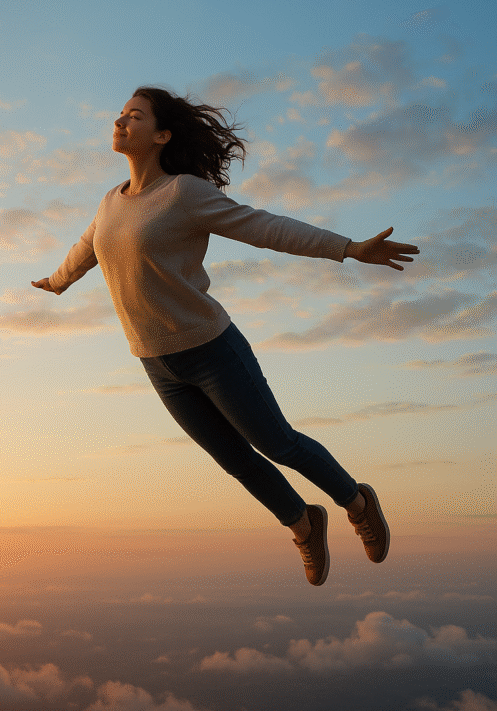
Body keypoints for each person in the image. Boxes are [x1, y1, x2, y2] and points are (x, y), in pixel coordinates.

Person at [32, 87, 420, 586]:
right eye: (121, 114)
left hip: (212, 351)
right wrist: (58, 280)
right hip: (157, 363)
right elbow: (88, 247)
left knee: (278, 444)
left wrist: (348, 248)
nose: (120, 120)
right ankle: (303, 524)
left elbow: (264, 227)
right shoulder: (110, 201)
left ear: (162, 135)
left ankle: (358, 502)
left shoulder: (184, 193)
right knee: (233, 459)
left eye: (135, 116)